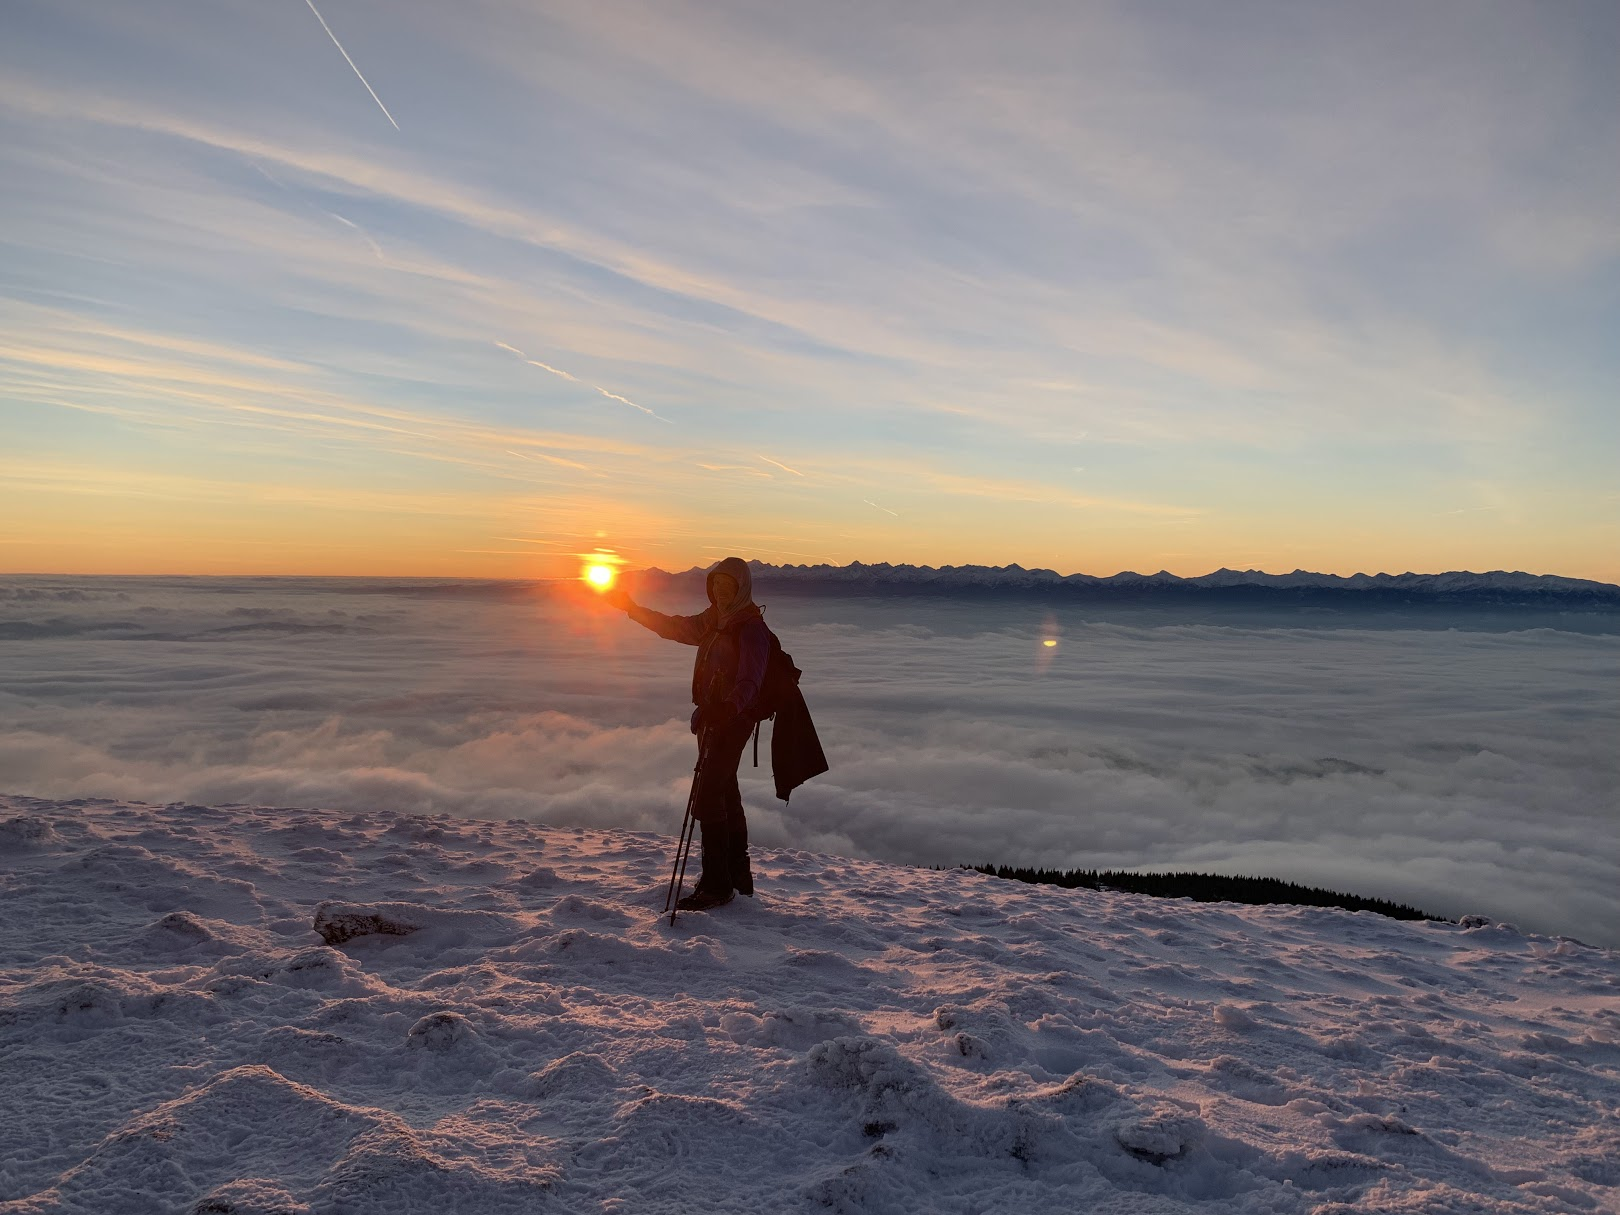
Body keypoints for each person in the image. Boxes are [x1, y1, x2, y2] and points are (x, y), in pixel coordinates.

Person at [607, 556, 768, 911]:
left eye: (728, 586)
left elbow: (750, 682)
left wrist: (726, 709)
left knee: (709, 795)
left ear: (741, 588)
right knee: (725, 791)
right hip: (712, 719)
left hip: (732, 722)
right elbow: (674, 627)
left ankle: (717, 885)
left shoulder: (751, 628)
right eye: (716, 586)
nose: (720, 592)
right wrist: (633, 610)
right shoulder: (714, 621)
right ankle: (738, 877)